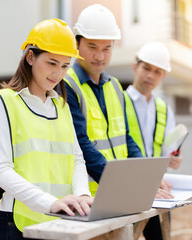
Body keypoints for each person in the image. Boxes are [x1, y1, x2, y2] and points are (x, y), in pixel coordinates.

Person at [0, 19, 93, 240]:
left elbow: (76, 159)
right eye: (52, 63)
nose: (58, 73)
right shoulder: (5, 101)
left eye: (65, 66)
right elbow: (1, 170)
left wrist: (82, 194)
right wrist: (49, 203)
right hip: (17, 222)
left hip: (60, 219)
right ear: (30, 57)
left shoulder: (61, 106)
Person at [63, 4, 148, 196]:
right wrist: (120, 184)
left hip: (117, 191)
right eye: (92, 47)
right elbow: (80, 144)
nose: (100, 56)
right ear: (76, 45)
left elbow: (125, 137)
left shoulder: (115, 86)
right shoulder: (66, 85)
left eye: (107, 48)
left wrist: (145, 177)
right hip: (87, 197)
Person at [124, 41, 183, 240]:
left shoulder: (164, 109)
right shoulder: (119, 102)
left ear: (163, 76)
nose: (151, 75)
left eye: (157, 71)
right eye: (146, 68)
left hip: (158, 189)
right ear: (135, 67)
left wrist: (174, 158)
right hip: (127, 186)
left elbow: (169, 149)